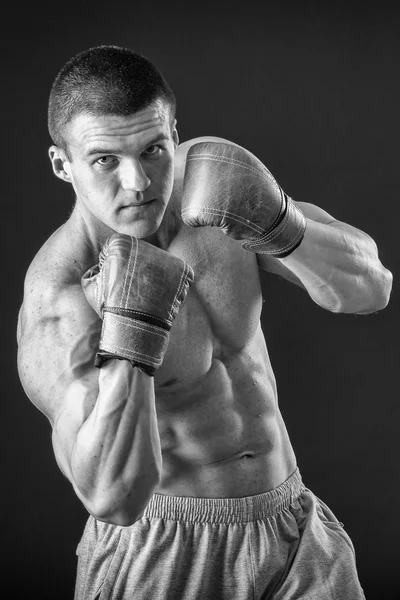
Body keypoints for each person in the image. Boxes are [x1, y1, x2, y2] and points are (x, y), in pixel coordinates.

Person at [16, 44, 392, 600]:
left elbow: (372, 288)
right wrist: (130, 336)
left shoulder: (213, 184)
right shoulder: (60, 299)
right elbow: (114, 498)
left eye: (154, 150)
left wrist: (282, 224)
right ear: (61, 164)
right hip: (162, 554)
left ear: (174, 131)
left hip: (293, 526)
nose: (139, 182)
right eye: (104, 161)